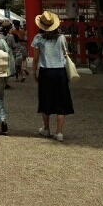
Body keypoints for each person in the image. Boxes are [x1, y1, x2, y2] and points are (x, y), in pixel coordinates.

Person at [32, 10, 74, 142]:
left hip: (46, 71)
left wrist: (34, 72)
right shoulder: (61, 38)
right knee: (61, 100)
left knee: (46, 99)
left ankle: (46, 128)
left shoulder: (38, 38)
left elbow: (35, 58)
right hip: (60, 71)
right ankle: (59, 132)